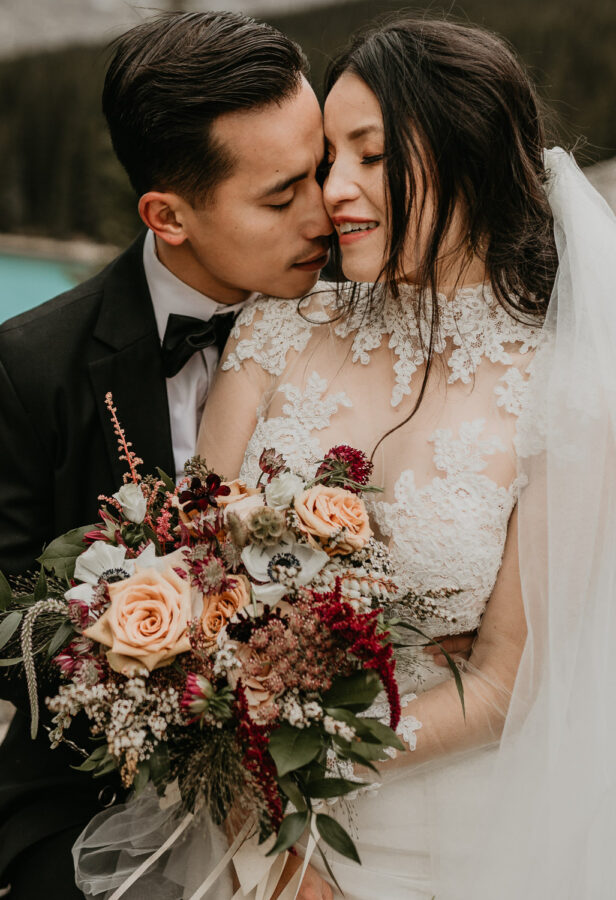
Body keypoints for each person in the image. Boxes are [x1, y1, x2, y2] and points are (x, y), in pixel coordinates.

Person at [198, 16, 616, 899]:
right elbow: (189, 579)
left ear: (465, 152)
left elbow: (506, 682)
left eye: (371, 156)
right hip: (241, 822)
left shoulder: (566, 381)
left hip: (451, 839)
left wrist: (303, 773)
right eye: (325, 162)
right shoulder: (276, 329)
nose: (334, 191)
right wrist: (265, 822)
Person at [0, 11, 333, 898]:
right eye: (280, 195)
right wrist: (163, 668)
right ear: (167, 215)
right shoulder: (31, 365)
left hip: (348, 771)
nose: (326, 213)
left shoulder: (376, 315)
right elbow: (7, 618)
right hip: (97, 797)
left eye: (323, 170)